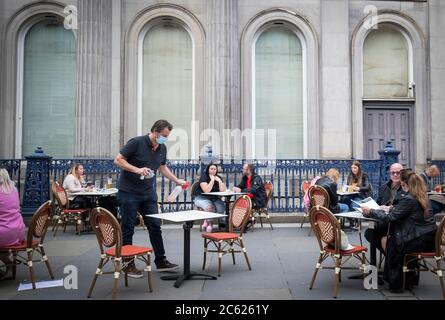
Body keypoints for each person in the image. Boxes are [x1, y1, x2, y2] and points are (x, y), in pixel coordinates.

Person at [114, 119, 187, 277]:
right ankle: (127, 264)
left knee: (155, 226)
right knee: (128, 228)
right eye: (163, 135)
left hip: (148, 193)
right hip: (129, 192)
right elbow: (118, 159)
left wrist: (177, 180)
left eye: (167, 136)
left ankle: (160, 260)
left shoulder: (162, 148)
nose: (165, 139)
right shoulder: (136, 142)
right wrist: (137, 170)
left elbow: (162, 167)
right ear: (155, 131)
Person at [362, 171, 436, 292]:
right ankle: (407, 277)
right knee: (387, 238)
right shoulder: (421, 195)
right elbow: (408, 210)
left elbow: (390, 218)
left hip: (419, 239)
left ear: (403, 184)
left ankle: (397, 284)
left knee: (392, 242)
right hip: (427, 237)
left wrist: (370, 211)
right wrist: (391, 208)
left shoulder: (409, 199)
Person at [364, 163, 404, 255]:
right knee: (370, 233)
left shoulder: (406, 187)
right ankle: (390, 256)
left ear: (403, 174)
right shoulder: (384, 187)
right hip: (384, 219)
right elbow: (377, 204)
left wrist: (389, 208)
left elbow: (404, 207)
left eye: (398, 172)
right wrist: (368, 210)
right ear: (389, 174)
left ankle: (393, 258)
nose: (395, 175)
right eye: (393, 172)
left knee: (373, 232)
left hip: (399, 221)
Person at [0, 168, 26, 280]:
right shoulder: (14, 190)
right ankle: (9, 265)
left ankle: (8, 262)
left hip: (4, 233)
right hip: (19, 231)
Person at [233, 164, 267, 231]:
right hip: (249, 199)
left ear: (248, 170)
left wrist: (241, 190)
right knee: (236, 204)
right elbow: (240, 186)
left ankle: (244, 224)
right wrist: (236, 188)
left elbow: (253, 190)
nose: (242, 170)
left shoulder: (257, 178)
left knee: (244, 205)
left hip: (258, 200)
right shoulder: (245, 178)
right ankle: (237, 223)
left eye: (244, 168)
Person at [194, 163, 226, 232]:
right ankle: (210, 224)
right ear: (208, 170)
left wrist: (219, 181)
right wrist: (212, 180)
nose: (213, 170)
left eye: (215, 169)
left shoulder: (218, 177)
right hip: (201, 198)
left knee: (221, 208)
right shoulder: (204, 177)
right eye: (211, 169)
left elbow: (223, 190)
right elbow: (206, 190)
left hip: (214, 198)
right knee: (210, 207)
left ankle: (206, 219)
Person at [340, 160, 373, 227]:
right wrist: (346, 189)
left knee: (353, 205)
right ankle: (351, 220)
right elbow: (348, 186)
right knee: (343, 201)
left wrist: (358, 188)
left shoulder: (364, 176)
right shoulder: (350, 176)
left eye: (355, 168)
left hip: (361, 196)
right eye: (352, 168)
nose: (353, 169)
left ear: (359, 168)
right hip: (351, 195)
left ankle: (356, 221)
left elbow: (367, 187)